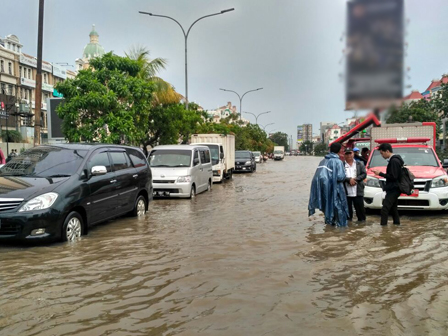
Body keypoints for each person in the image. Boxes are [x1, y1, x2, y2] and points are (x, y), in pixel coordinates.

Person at [308, 142, 349, 227]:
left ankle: (329, 228)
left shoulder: (323, 161)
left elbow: (318, 177)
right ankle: (342, 231)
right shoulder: (338, 162)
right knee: (339, 209)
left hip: (324, 190)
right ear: (339, 150)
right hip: (336, 190)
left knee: (327, 208)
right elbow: (340, 177)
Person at [372, 143, 403, 226]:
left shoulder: (394, 161)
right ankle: (396, 225)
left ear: (387, 151)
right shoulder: (395, 160)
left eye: (382, 153)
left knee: (385, 209)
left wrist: (380, 174)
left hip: (394, 188)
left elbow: (393, 176)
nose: (382, 155)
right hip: (393, 188)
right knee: (393, 208)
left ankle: (383, 229)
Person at [343, 148, 366, 222]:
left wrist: (355, 180)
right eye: (347, 154)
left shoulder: (360, 164)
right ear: (344, 155)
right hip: (346, 193)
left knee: (361, 215)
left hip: (358, 191)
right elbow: (339, 176)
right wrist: (348, 180)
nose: (349, 155)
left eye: (350, 153)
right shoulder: (341, 165)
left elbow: (364, 174)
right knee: (347, 215)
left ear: (353, 154)